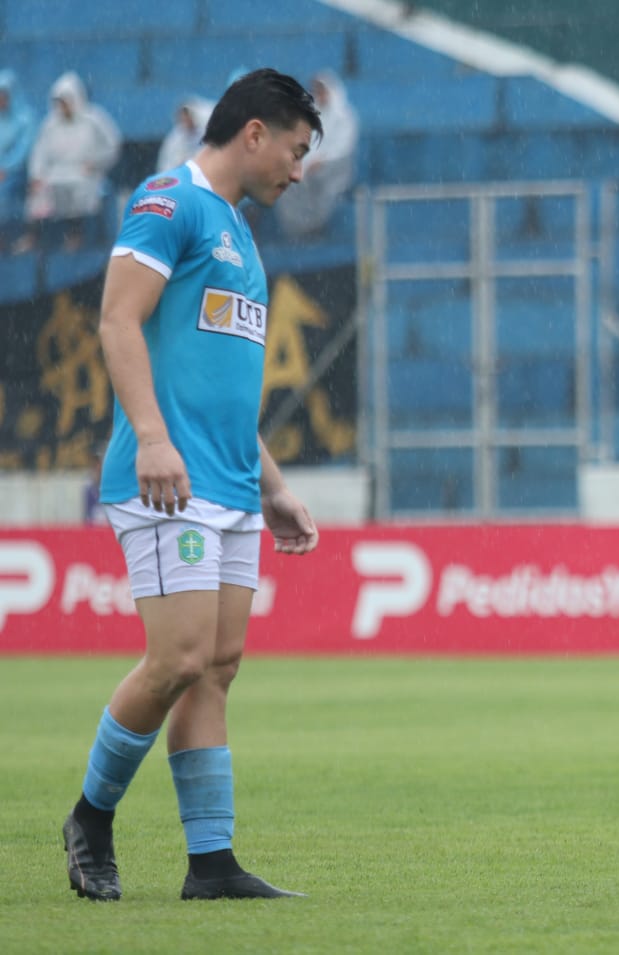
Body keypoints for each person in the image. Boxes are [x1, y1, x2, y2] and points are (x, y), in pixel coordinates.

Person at [61, 68, 322, 902]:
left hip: (233, 485)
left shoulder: (242, 235)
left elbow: (223, 385)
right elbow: (115, 319)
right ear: (255, 133)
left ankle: (210, 863)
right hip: (167, 479)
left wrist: (273, 485)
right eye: (296, 148)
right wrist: (152, 438)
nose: (300, 167)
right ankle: (90, 817)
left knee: (216, 666)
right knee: (174, 657)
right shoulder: (169, 202)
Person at [17, 71, 121, 253]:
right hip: (56, 172)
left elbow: (113, 144)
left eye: (65, 101)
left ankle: (75, 235)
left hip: (85, 171)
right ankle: (34, 237)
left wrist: (96, 163)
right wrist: (37, 175)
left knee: (79, 191)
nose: (62, 106)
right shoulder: (50, 124)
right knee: (40, 193)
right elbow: (39, 152)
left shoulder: (93, 119)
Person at [272, 68, 356, 238]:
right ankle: (298, 229)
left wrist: (323, 161)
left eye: (322, 91)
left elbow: (343, 148)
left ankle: (317, 226)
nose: (320, 95)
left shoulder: (345, 117)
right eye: (317, 91)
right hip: (309, 167)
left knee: (321, 179)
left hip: (334, 169)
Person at [0, 69, 36, 231]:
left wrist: (6, 168)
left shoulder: (26, 117)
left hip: (19, 172)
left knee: (4, 190)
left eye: (4, 95)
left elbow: (24, 150)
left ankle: (6, 235)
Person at [155, 95, 213, 176]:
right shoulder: (175, 140)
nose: (186, 120)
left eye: (187, 116)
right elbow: (167, 163)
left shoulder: (205, 133)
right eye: (183, 117)